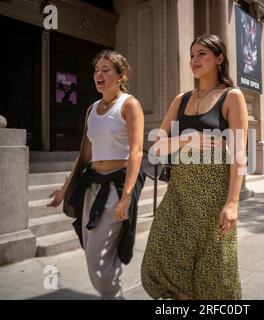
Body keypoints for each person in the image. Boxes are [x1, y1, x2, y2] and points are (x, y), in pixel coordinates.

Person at [141, 34, 248, 300]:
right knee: (162, 265)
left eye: (202, 54)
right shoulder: (181, 99)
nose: (194, 60)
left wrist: (232, 203)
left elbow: (239, 154)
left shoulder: (232, 97)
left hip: (212, 200)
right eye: (192, 55)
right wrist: (188, 138)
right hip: (178, 196)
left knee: (212, 278)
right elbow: (155, 148)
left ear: (219, 58)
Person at [48, 50, 145, 300]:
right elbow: (84, 155)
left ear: (120, 75)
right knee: (93, 250)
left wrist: (126, 197)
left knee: (97, 259)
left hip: (115, 187)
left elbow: (136, 152)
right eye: (96, 70)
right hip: (91, 186)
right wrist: (64, 189)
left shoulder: (129, 105)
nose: (99, 75)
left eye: (106, 70)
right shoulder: (92, 109)